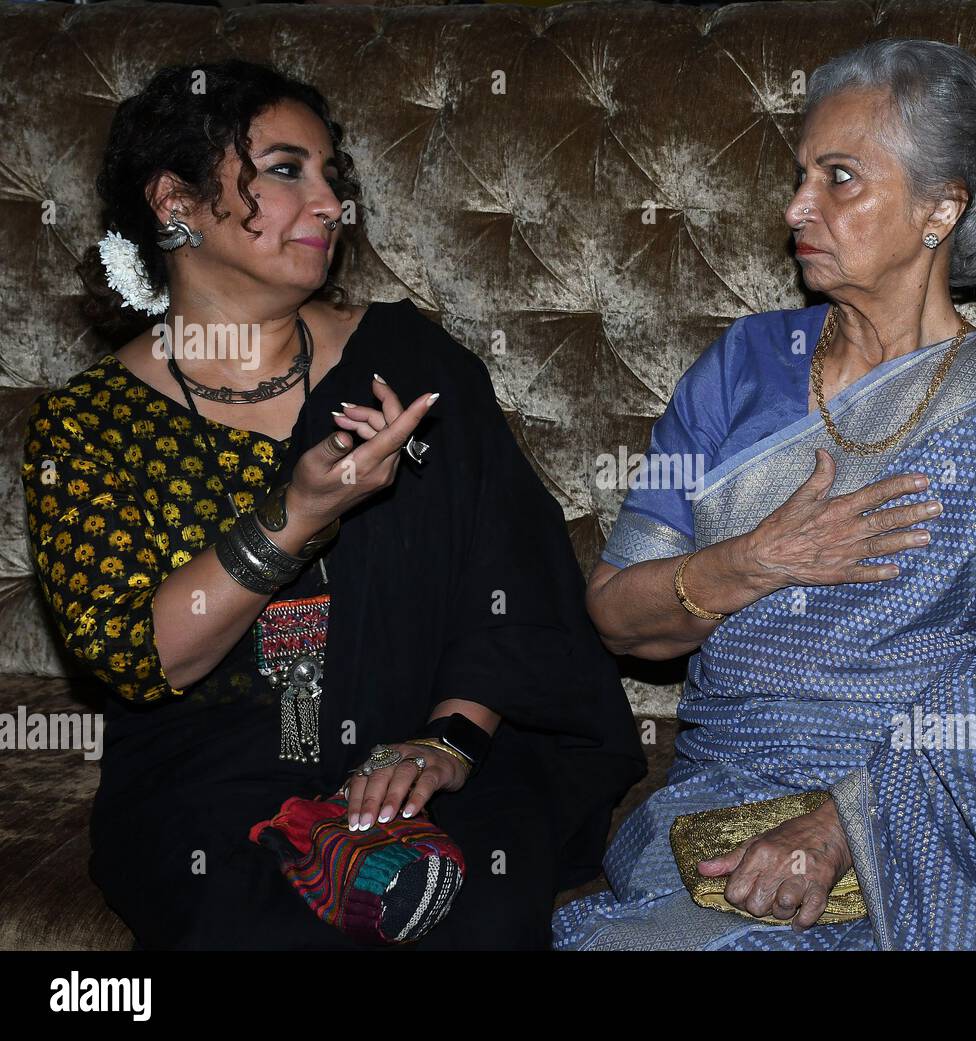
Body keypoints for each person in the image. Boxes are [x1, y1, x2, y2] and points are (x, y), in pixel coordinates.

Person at [553, 38, 976, 950]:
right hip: (730, 795)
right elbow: (616, 614)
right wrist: (753, 561)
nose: (797, 205)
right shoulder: (740, 371)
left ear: (940, 210)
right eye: (801, 173)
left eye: (839, 177)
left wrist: (847, 819)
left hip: (949, 817)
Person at [21, 59, 644, 951]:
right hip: (214, 776)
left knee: (463, 909)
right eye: (285, 170)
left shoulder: (411, 361)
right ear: (175, 201)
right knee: (257, 925)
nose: (329, 204)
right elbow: (138, 654)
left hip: (426, 754)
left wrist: (449, 742)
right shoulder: (88, 426)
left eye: (331, 177)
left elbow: (512, 589)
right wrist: (299, 514)